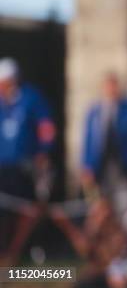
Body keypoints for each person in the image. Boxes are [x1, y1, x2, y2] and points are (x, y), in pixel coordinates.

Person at [0, 57, 55, 265]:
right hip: (2, 166)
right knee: (3, 210)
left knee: (27, 210)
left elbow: (46, 127)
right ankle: (4, 251)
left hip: (24, 166)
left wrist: (43, 152)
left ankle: (23, 252)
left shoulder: (31, 97)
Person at [81, 73, 127, 210]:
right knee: (98, 203)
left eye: (113, 86)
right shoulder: (95, 112)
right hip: (99, 165)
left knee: (123, 200)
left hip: (123, 165)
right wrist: (86, 165)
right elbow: (88, 140)